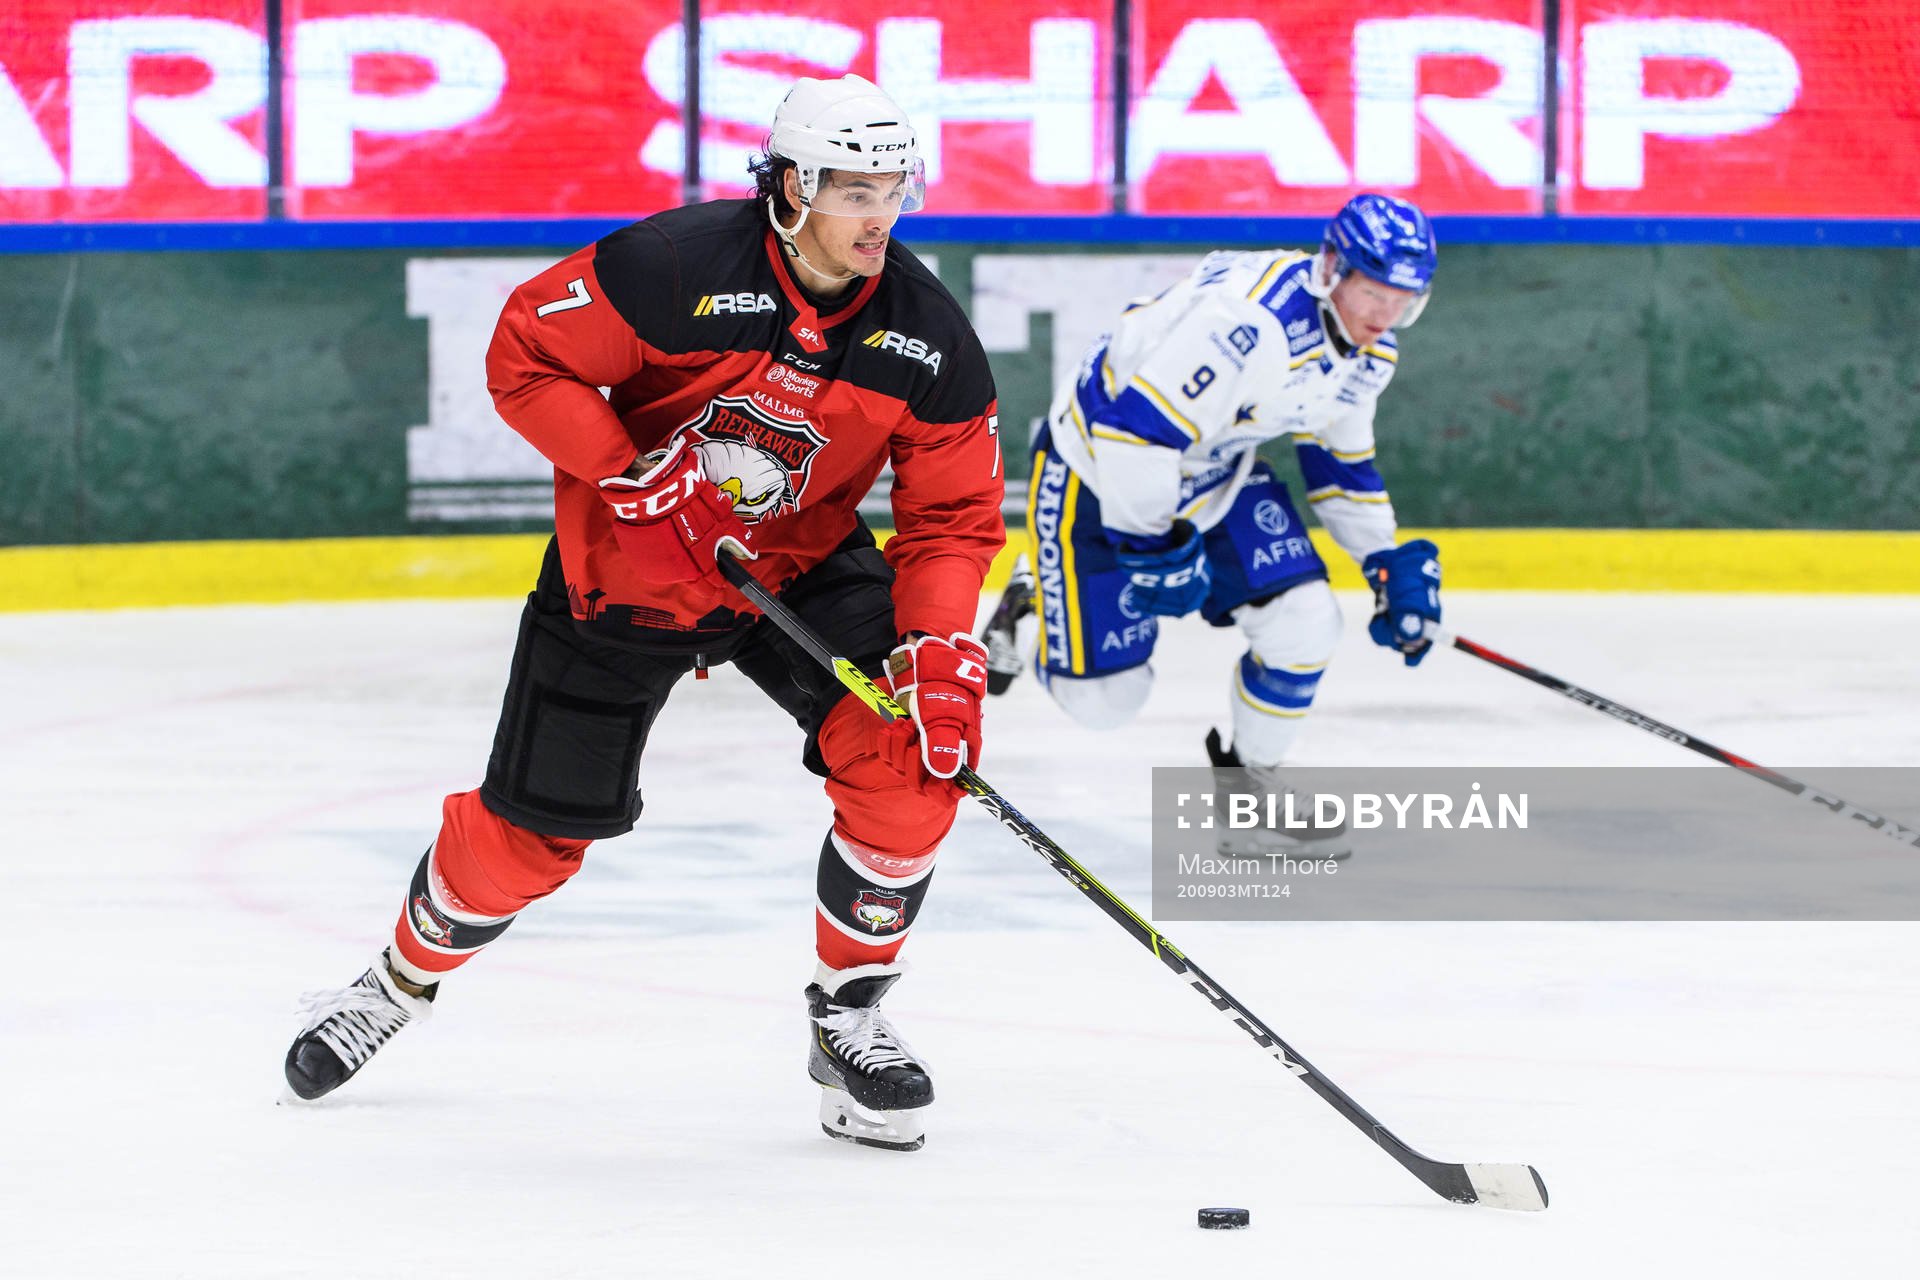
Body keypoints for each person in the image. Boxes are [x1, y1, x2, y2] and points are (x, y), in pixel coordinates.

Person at [283, 74, 1004, 1153]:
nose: (881, 217)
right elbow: (525, 353)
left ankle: (849, 1016)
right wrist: (629, 473)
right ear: (794, 187)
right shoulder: (673, 266)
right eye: (858, 191)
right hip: (630, 567)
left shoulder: (926, 333)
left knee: (908, 755)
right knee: (528, 844)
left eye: (896, 190)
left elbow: (951, 516)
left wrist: (938, 644)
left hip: (798, 564)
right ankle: (395, 982)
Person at [982, 194, 1443, 858]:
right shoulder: (1248, 324)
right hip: (1099, 470)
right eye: (1373, 293)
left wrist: (1384, 562)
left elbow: (1339, 464)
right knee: (1105, 702)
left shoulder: (1369, 352)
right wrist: (1153, 547)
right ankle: (1036, 598)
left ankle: (1251, 789)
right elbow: (1133, 434)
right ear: (1331, 268)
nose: (1385, 316)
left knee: (1307, 622)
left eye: (1402, 301)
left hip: (1213, 470)